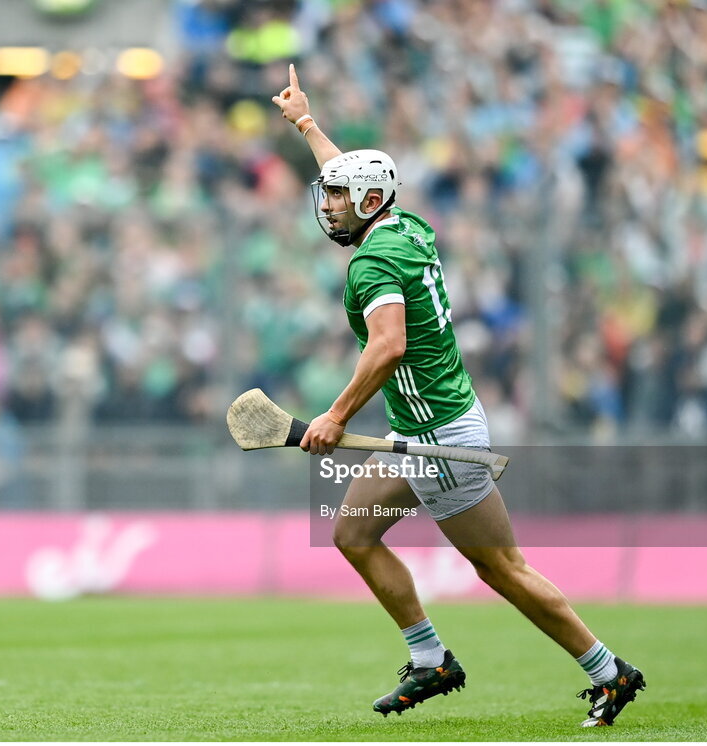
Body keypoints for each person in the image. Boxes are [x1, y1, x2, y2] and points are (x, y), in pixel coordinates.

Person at [272, 64, 646, 727]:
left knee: (501, 567)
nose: (326, 202)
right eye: (326, 192)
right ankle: (430, 661)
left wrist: (333, 416)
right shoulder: (403, 225)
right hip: (429, 428)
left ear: (365, 203)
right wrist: (306, 123)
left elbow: (386, 346)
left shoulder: (373, 261)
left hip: (439, 439)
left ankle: (609, 671)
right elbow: (352, 174)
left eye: (335, 196)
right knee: (354, 534)